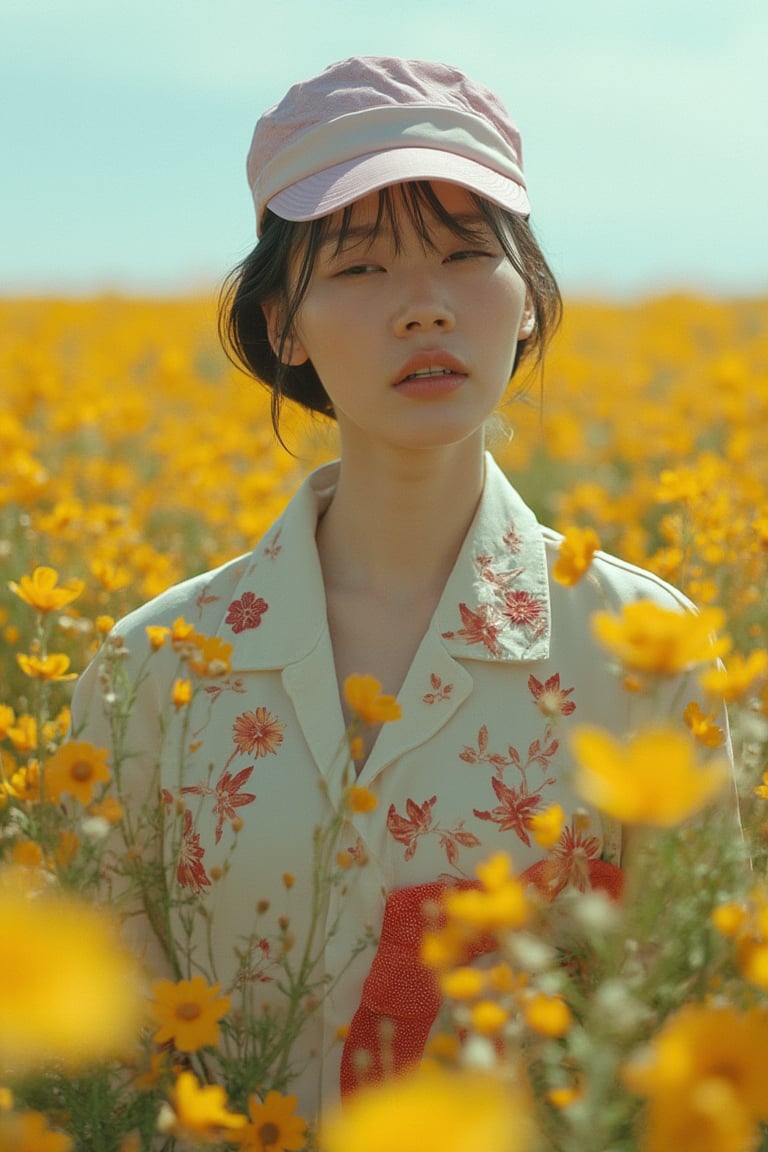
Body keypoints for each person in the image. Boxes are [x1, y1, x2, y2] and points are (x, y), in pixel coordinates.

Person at [71, 56, 733, 1122]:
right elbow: (109, 1065)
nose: (425, 309)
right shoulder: (150, 669)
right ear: (283, 325)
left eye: (470, 257)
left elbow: (692, 1035)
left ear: (527, 303)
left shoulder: (642, 646)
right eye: (362, 270)